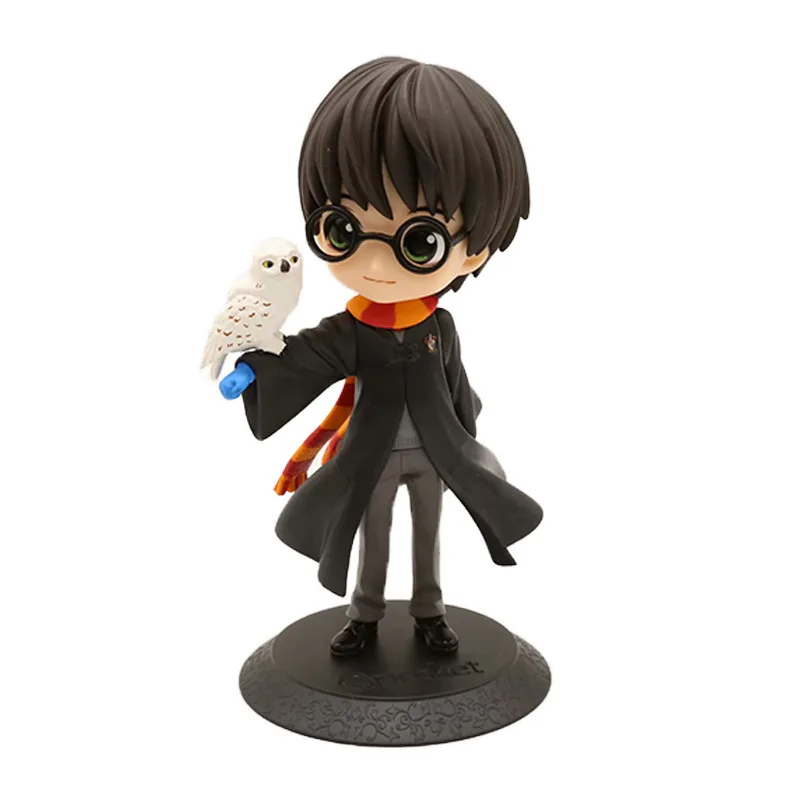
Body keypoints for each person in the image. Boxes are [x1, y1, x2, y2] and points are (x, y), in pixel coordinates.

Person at [220, 57, 543, 656]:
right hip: (370, 451)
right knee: (372, 533)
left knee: (428, 536)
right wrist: (253, 370)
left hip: (434, 453)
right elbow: (305, 356)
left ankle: (430, 611)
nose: (372, 265)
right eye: (343, 230)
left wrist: (467, 444)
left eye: (419, 241)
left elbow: (457, 386)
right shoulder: (353, 328)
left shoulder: (438, 327)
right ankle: (364, 614)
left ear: (474, 251)